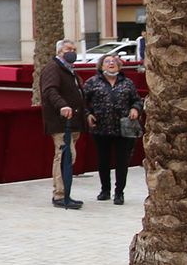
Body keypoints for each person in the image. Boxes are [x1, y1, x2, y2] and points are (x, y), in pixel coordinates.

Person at [82, 53, 142, 205]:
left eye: (114, 61)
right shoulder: (92, 82)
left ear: (119, 66)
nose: (111, 63)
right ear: (101, 66)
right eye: (107, 61)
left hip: (123, 129)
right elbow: (81, 102)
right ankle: (105, 190)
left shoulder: (127, 83)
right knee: (103, 160)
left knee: (122, 161)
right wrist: (88, 114)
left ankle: (119, 192)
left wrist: (135, 108)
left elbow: (137, 100)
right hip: (101, 128)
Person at [39, 38, 87, 210]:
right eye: (68, 49)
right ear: (59, 51)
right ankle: (59, 194)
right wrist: (62, 106)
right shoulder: (53, 68)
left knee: (68, 157)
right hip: (61, 122)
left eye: (74, 49)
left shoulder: (70, 70)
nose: (72, 52)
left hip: (73, 121)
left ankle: (64, 192)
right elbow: (50, 90)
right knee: (65, 156)